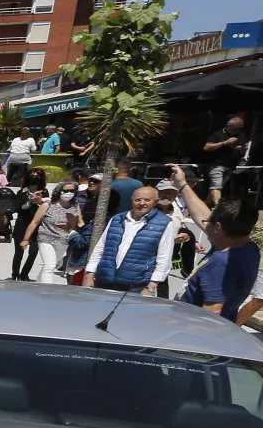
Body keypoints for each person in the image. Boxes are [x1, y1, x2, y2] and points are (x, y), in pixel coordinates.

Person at [166, 165, 260, 321]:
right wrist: (182, 185)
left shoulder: (222, 262)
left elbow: (210, 314)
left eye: (208, 221)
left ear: (218, 227)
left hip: (189, 331)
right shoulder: (246, 246)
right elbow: (204, 215)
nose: (205, 222)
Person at [84, 185, 177, 295]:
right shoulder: (117, 219)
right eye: (138, 200)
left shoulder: (164, 223)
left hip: (136, 287)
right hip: (105, 282)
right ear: (132, 201)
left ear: (155, 202)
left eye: (147, 200)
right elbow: (100, 248)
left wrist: (151, 287)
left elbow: (164, 259)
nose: (142, 203)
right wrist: (89, 274)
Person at [203, 113, 249, 204]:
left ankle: (206, 205)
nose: (236, 131)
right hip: (217, 165)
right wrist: (224, 143)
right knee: (216, 187)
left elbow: (242, 148)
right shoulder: (218, 134)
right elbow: (206, 147)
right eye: (234, 128)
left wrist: (242, 149)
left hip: (231, 166)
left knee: (216, 188)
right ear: (228, 125)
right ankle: (218, 208)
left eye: (239, 128)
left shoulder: (240, 135)